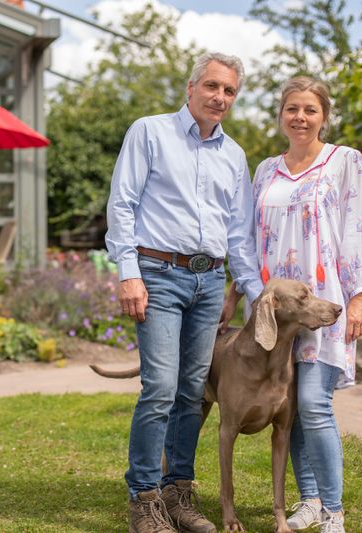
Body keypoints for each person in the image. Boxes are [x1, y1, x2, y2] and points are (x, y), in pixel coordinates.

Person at [105, 52, 263, 533]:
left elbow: (239, 235)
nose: (220, 97)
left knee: (192, 394)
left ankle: (178, 494)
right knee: (159, 389)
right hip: (158, 274)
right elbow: (123, 204)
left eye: (229, 91)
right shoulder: (149, 132)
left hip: (209, 280)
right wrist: (129, 272)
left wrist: (256, 296)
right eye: (212, 86)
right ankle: (144, 500)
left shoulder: (235, 156)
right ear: (190, 88)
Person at [250, 76, 362, 533]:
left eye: (309, 109)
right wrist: (238, 290)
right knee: (291, 407)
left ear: (324, 115)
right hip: (280, 313)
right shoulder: (266, 169)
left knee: (313, 402)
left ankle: (334, 513)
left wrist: (360, 292)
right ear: (280, 115)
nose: (300, 117)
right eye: (291, 109)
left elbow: (360, 229)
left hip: (323, 303)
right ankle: (309, 500)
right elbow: (252, 237)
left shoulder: (345, 162)